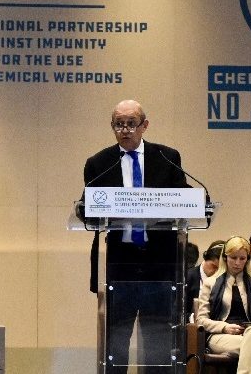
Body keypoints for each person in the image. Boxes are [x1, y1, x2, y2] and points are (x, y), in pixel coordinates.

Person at [83, 100, 190, 372]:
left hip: (160, 267)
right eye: (118, 124)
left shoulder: (167, 158)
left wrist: (201, 202)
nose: (125, 130)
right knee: (116, 346)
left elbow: (183, 196)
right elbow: (86, 208)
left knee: (157, 346)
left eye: (131, 123)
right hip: (119, 267)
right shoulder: (99, 163)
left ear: (145, 126)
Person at [195, 236, 251, 374]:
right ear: (225, 257)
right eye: (233, 258)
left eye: (242, 258)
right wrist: (224, 327)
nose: (237, 263)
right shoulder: (210, 283)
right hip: (220, 336)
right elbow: (201, 320)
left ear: (247, 259)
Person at [186, 240, 224, 317]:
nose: (216, 272)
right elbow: (177, 312)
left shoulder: (225, 279)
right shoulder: (188, 277)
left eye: (220, 269)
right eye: (213, 266)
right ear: (205, 258)